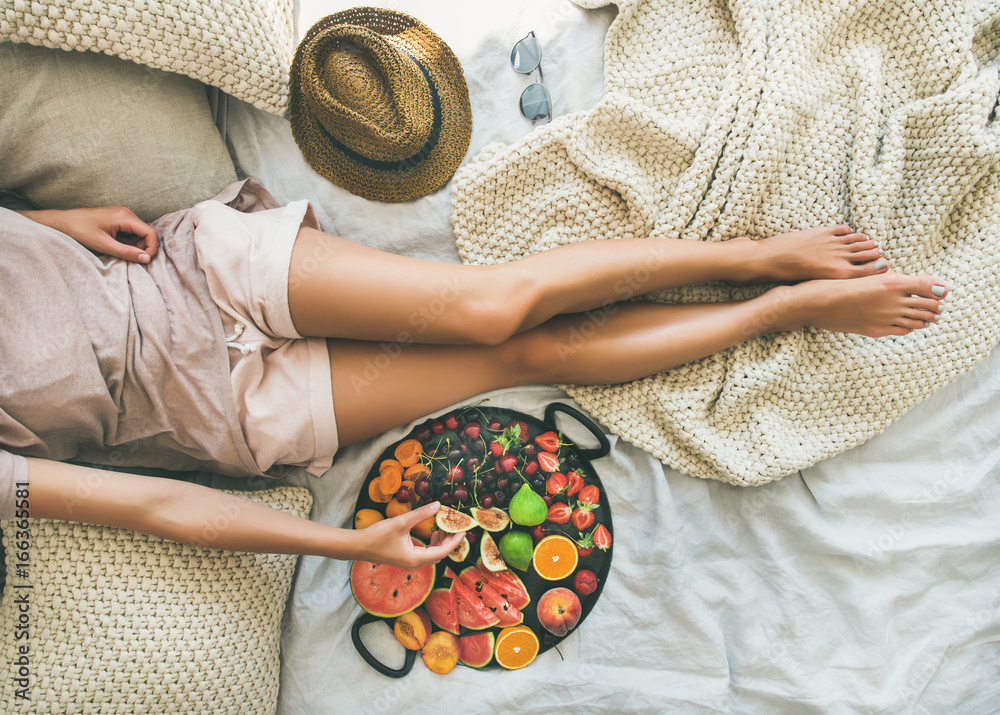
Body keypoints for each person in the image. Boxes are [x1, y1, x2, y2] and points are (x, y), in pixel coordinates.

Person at [0, 183, 948, 570]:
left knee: (490, 306)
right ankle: (776, 310)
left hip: (200, 278)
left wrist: (45, 219)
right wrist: (352, 549)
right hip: (233, 411)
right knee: (530, 356)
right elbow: (153, 508)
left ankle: (749, 256)